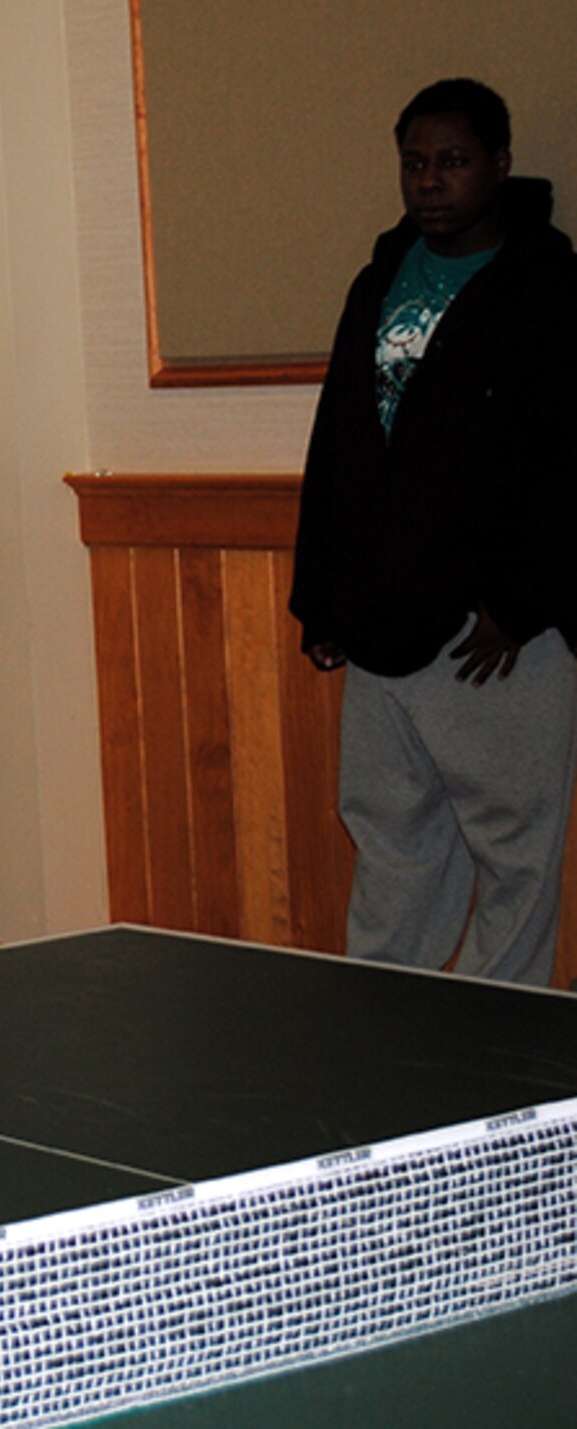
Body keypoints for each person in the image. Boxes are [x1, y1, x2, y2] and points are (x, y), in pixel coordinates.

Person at [290, 77, 577, 987]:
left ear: (499, 163)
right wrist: (324, 596)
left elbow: (570, 458)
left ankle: (497, 1061)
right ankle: (383, 1043)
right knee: (393, 844)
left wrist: (520, 603)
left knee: (515, 858)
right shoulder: (378, 280)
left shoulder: (551, 289)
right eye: (415, 163)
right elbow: (338, 442)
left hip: (496, 636)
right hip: (382, 622)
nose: (429, 182)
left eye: (452, 161)